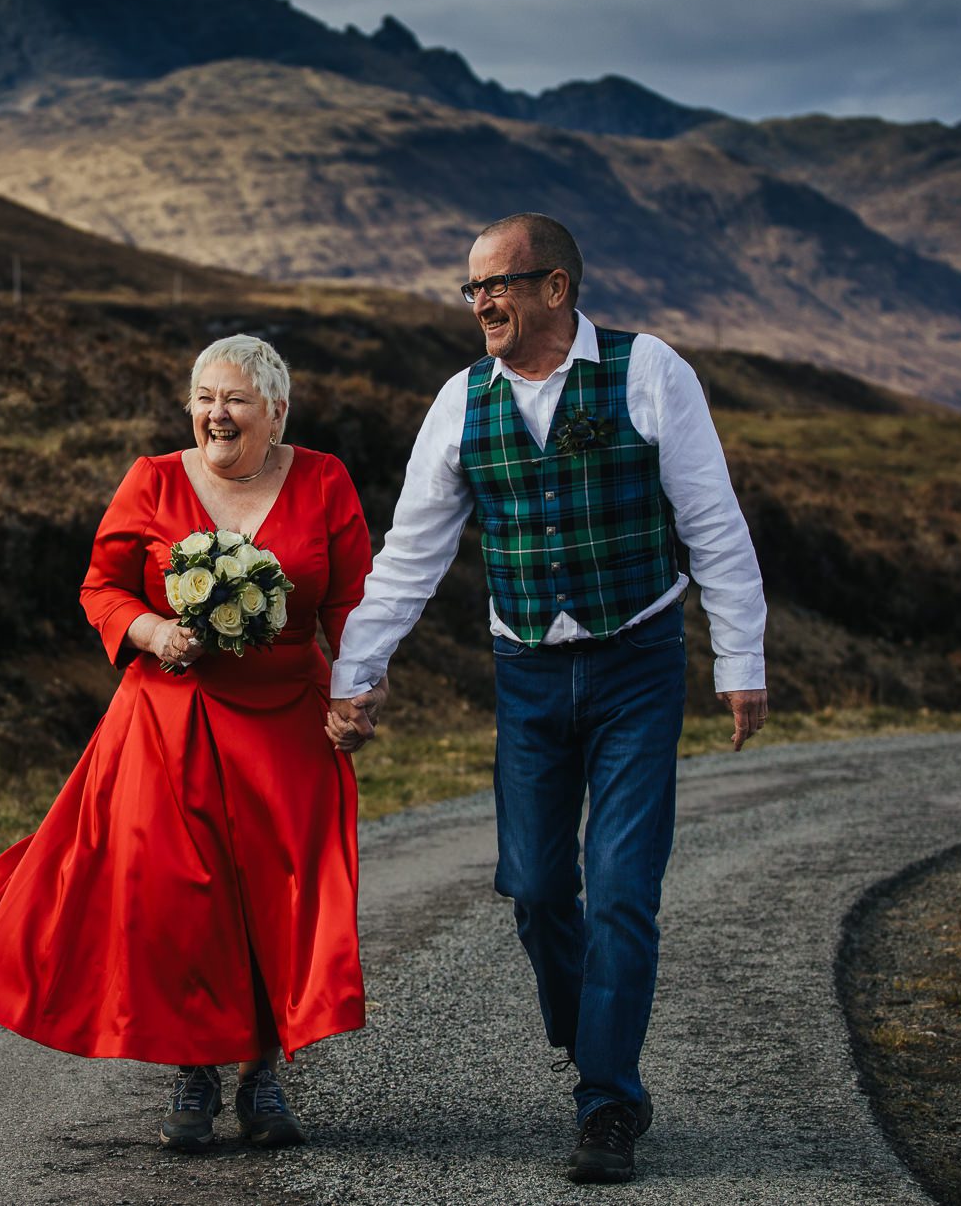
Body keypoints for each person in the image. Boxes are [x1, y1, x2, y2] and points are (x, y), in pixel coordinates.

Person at [325, 213, 768, 1185]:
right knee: (531, 887)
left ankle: (607, 1098)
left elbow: (712, 524)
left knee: (619, 886)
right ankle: (590, 1030)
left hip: (635, 664)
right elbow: (411, 554)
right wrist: (353, 675)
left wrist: (740, 661)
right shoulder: (459, 401)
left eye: (498, 284)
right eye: (470, 287)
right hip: (525, 671)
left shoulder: (648, 372)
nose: (480, 302)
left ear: (555, 288)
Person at [0, 334, 373, 1152]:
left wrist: (361, 690)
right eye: (205, 397)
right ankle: (194, 1066)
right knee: (182, 895)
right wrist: (150, 630)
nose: (217, 413)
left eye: (236, 399)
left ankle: (261, 1074)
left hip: (289, 716)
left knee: (274, 896)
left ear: (276, 411)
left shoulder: (324, 479)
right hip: (167, 716)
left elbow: (354, 601)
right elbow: (100, 585)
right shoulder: (151, 479)